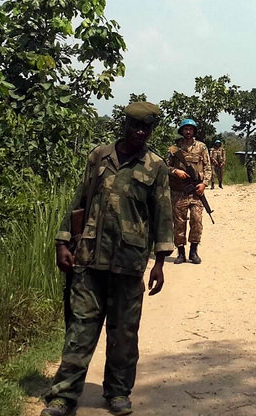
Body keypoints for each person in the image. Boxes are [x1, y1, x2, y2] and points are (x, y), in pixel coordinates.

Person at [42, 101, 174, 416]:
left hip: (129, 263)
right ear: (124, 126)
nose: (140, 132)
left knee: (123, 333)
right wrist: (63, 242)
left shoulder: (156, 167)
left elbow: (163, 216)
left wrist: (159, 262)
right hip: (88, 258)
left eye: (146, 128)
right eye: (135, 126)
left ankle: (117, 392)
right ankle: (64, 396)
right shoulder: (99, 156)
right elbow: (80, 200)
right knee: (80, 330)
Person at [167, 118, 212, 264]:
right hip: (179, 192)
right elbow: (166, 167)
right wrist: (175, 171)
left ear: (194, 131)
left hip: (195, 191)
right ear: (181, 131)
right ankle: (181, 253)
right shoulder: (174, 148)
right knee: (179, 223)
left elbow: (208, 168)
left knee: (196, 220)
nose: (188, 131)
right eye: (185, 129)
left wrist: (204, 184)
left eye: (190, 129)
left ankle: (193, 252)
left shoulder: (201, 147)